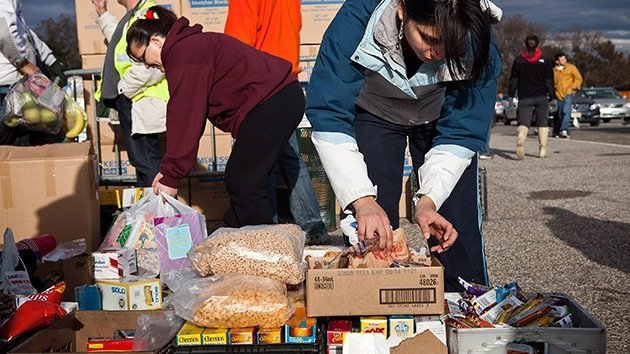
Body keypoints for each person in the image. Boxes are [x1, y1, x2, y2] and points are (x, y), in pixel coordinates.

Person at [305, 0, 502, 291]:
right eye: (430, 39)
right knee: (373, 226)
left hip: (439, 111)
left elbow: (462, 131)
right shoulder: (357, 20)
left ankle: (463, 307)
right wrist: (362, 200)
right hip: (374, 110)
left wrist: (428, 199)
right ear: (402, 9)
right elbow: (330, 113)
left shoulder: (478, 37)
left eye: (453, 45)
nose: (440, 54)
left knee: (453, 224)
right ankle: (370, 308)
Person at [126, 5, 304, 228]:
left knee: (243, 181)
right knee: (244, 179)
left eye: (142, 56)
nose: (146, 65)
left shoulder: (184, 53)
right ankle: (233, 235)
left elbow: (185, 115)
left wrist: (171, 175)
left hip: (273, 101)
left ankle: (265, 250)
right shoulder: (189, 47)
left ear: (156, 41)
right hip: (275, 101)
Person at [223, 0, 330, 244]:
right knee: (289, 157)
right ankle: (312, 226)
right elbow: (294, 28)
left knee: (260, 162)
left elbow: (235, 45)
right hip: (285, 81)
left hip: (259, 86)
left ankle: (264, 226)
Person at [91, 0, 168, 187]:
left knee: (147, 162)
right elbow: (119, 43)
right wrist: (102, 12)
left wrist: (124, 89)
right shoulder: (134, 16)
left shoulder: (148, 14)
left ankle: (159, 213)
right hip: (134, 100)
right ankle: (151, 213)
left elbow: (156, 61)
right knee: (142, 162)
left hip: (139, 99)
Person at [0, 0, 67, 145]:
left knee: (18, 153)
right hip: (9, 88)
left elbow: (23, 32)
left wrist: (49, 59)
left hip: (14, 86)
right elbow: (3, 29)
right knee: (15, 153)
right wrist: (23, 63)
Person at [508, 34, 555, 159]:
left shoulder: (519, 60)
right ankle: (542, 149)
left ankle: (521, 139)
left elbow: (514, 79)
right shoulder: (544, 61)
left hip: (524, 97)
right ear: (538, 44)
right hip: (541, 96)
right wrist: (552, 95)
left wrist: (511, 94)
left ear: (525, 43)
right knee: (542, 122)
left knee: (524, 122)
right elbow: (549, 80)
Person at [552, 52, 582, 139]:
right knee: (558, 113)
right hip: (557, 94)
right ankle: (556, 130)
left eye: (565, 59)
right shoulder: (554, 71)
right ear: (557, 61)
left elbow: (578, 79)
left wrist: (572, 88)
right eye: (562, 59)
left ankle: (564, 129)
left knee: (566, 111)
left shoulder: (571, 68)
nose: (564, 61)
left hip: (568, 93)